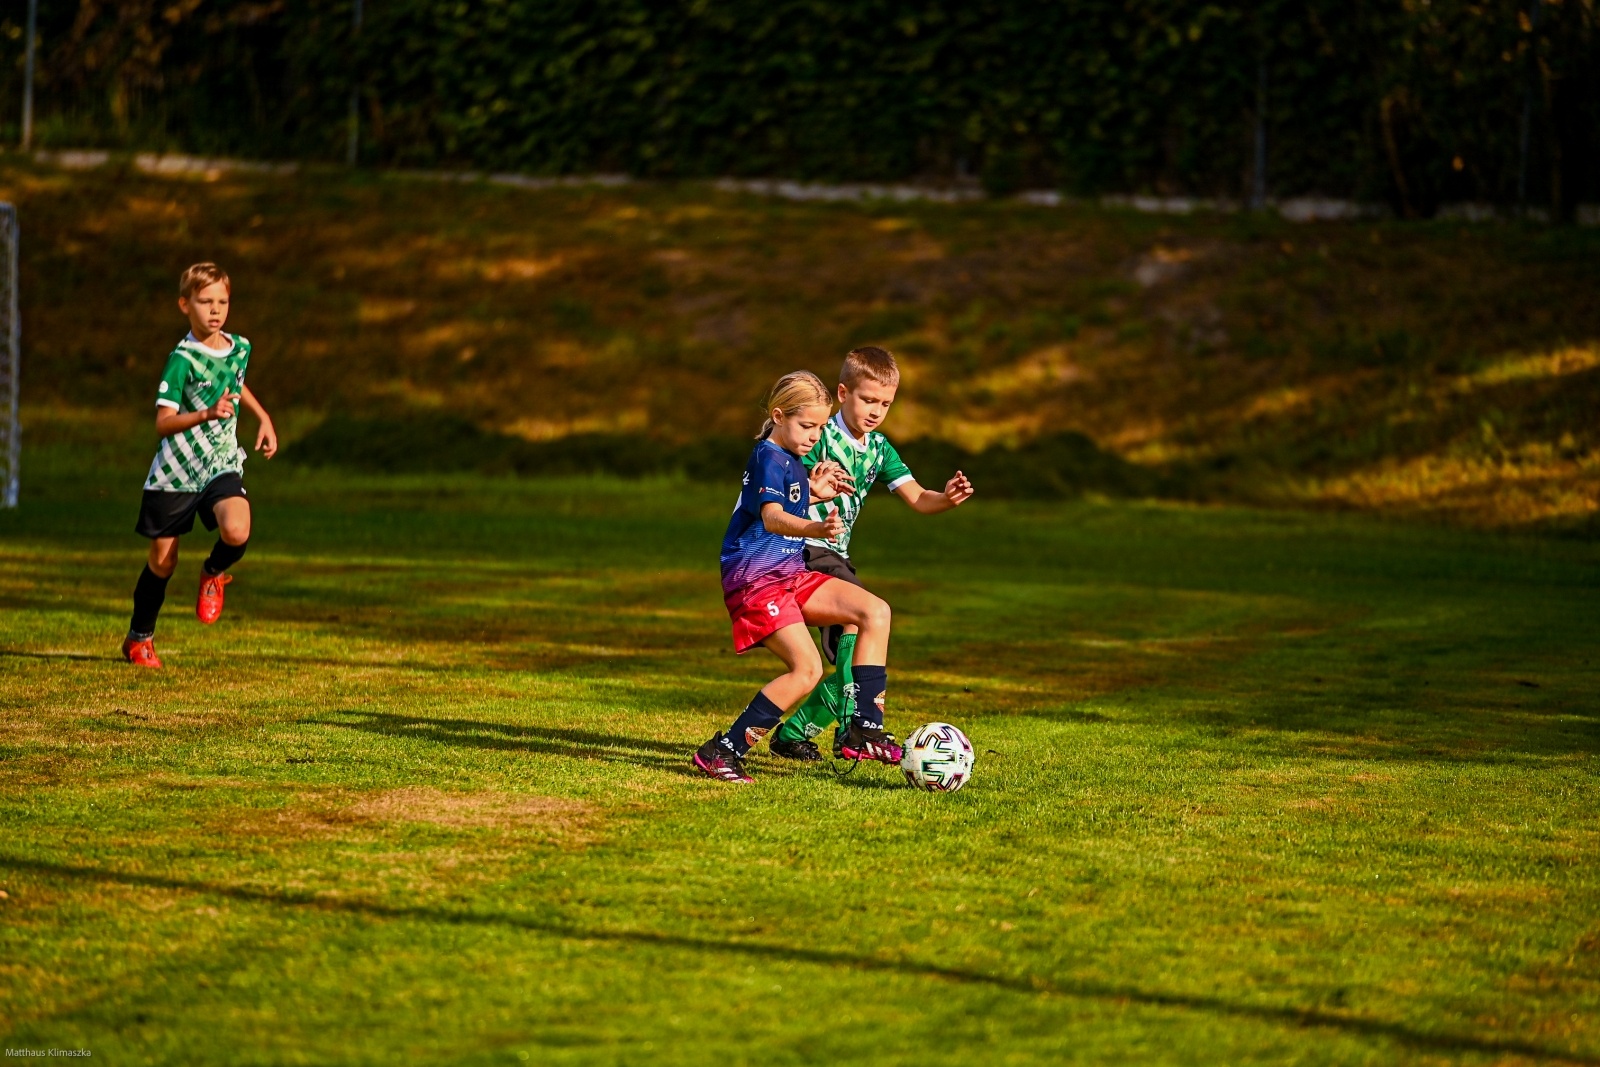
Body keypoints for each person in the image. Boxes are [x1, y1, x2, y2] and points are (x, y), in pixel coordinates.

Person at [692, 370, 904, 783]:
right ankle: (723, 751)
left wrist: (813, 490)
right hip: (755, 580)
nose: (814, 436)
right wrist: (815, 526)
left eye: (821, 427)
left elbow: (786, 495)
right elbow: (771, 517)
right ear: (778, 415)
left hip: (788, 573)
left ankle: (864, 729)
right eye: (807, 426)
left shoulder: (788, 460)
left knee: (874, 612)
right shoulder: (767, 457)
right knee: (806, 670)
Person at [767, 346, 974, 761]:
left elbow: (917, 497)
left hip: (836, 556)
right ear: (843, 393)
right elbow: (776, 471)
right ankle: (859, 731)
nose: (876, 410)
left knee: (856, 649)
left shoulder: (879, 449)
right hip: (803, 547)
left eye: (885, 403)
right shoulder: (819, 433)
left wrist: (946, 499)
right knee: (865, 625)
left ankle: (794, 733)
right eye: (868, 399)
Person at [122, 263, 277, 668]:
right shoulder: (182, 358)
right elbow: (163, 422)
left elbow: (235, 382)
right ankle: (140, 637)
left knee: (237, 527)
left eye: (222, 301)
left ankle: (213, 571)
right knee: (163, 562)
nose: (215, 310)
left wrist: (264, 418)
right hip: (175, 471)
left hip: (219, 463)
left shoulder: (239, 346)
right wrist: (207, 413)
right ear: (184, 304)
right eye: (205, 301)